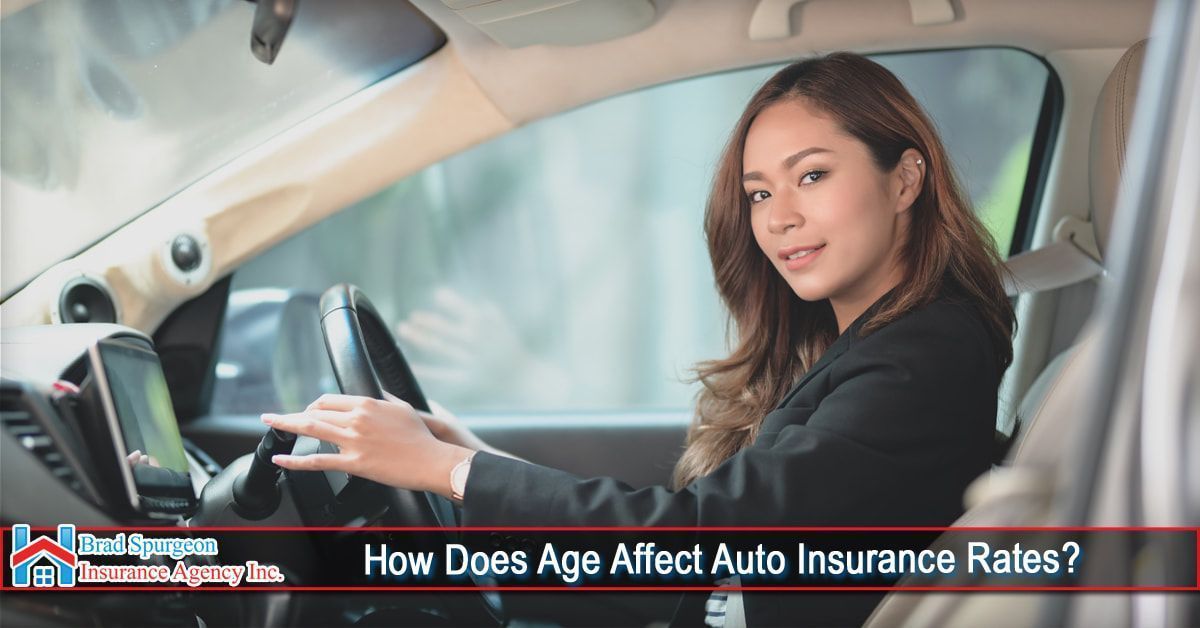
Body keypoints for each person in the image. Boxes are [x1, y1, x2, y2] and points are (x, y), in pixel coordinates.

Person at [262, 52, 1015, 626]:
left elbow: (699, 545)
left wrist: (450, 470)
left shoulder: (926, 357)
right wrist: (471, 459)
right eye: (758, 192)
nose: (777, 217)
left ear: (906, 179)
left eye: (811, 176)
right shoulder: (866, 348)